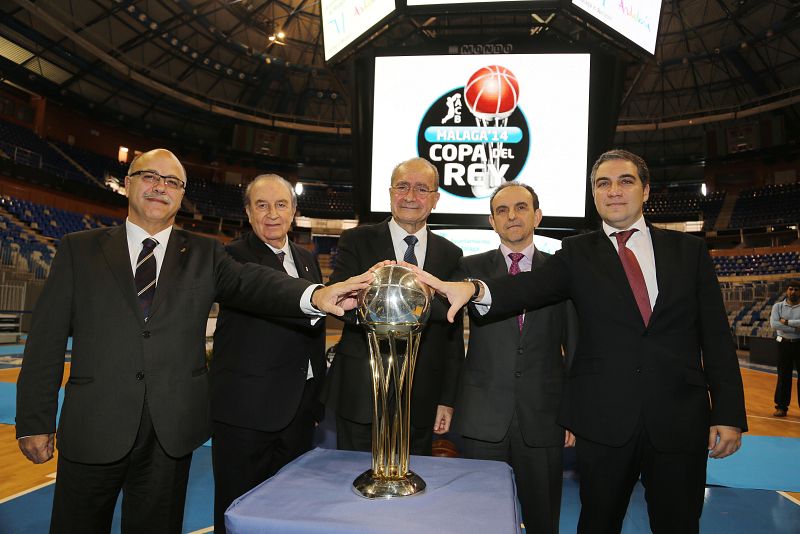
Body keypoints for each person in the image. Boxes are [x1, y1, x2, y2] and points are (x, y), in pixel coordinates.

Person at [15, 149, 371, 533]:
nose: (160, 187)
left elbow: (255, 283)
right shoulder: (79, 248)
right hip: (93, 425)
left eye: (172, 181)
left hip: (170, 433)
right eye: (150, 176)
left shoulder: (205, 252)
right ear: (128, 184)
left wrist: (316, 295)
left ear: (182, 195)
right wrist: (34, 420)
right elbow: (46, 340)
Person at [414, 149, 747, 534]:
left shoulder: (689, 251)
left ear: (645, 191)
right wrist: (474, 289)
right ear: (594, 195)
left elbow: (716, 336)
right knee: (597, 524)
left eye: (625, 181)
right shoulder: (577, 253)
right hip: (604, 425)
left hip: (678, 420)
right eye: (603, 184)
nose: (614, 191)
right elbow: (527, 287)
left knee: (679, 524)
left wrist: (728, 413)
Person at [452, 182, 577, 534]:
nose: (512, 216)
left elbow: (575, 346)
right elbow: (448, 341)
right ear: (492, 222)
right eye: (502, 210)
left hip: (544, 417)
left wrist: (573, 411)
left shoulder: (562, 271)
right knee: (479, 521)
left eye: (521, 207)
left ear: (537, 216)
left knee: (543, 520)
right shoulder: (468, 267)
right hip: (482, 416)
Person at [210, 174, 327, 533]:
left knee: (288, 511)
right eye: (262, 205)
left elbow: (314, 335)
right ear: (248, 212)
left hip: (298, 411)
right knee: (238, 509)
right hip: (247, 414)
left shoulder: (306, 258)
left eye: (280, 205)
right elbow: (272, 297)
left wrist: (315, 400)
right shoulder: (232, 257)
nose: (272, 214)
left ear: (294, 211)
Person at [324, 157, 464, 455]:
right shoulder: (356, 240)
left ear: (435, 199)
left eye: (421, 189)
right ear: (390, 193)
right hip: (361, 391)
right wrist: (369, 293)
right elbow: (339, 303)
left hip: (421, 397)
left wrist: (447, 399)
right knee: (352, 478)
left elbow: (451, 333)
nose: (410, 196)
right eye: (402, 186)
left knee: (413, 481)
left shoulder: (451, 253)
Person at [769, 279, 800, 417]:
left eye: (796, 289)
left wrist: (787, 322)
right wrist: (796, 327)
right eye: (791, 289)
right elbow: (775, 325)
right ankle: (781, 407)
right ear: (786, 291)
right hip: (783, 344)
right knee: (783, 376)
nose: (793, 292)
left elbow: (781, 323)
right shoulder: (778, 306)